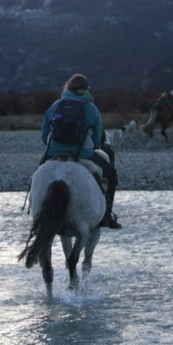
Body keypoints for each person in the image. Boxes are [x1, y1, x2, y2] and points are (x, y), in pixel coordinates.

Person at [41, 73, 122, 229]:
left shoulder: (55, 105)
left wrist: (53, 146)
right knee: (111, 175)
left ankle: (34, 208)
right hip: (82, 153)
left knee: (37, 175)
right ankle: (107, 217)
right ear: (86, 90)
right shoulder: (91, 108)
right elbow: (98, 137)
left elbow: (45, 135)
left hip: (54, 151)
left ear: (68, 88)